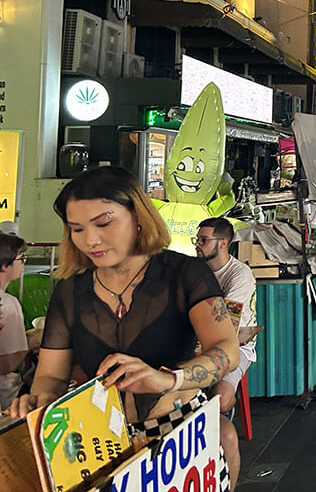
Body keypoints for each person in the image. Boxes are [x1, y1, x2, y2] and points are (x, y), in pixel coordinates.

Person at [8, 167, 239, 491]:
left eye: (104, 223)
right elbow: (51, 377)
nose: (90, 239)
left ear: (138, 216)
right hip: (99, 441)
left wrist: (168, 379)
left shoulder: (185, 273)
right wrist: (40, 404)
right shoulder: (70, 291)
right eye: (77, 229)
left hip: (180, 432)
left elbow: (226, 350)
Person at [194, 218, 256, 438]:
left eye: (203, 240)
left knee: (219, 401)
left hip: (236, 346)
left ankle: (221, 430)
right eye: (197, 240)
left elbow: (226, 324)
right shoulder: (195, 271)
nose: (197, 245)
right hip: (200, 343)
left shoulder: (239, 275)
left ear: (222, 243)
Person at [0, 227, 28, 410]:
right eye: (21, 259)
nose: (23, 264)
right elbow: (7, 364)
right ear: (5, 265)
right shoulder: (8, 304)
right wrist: (31, 344)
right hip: (7, 394)